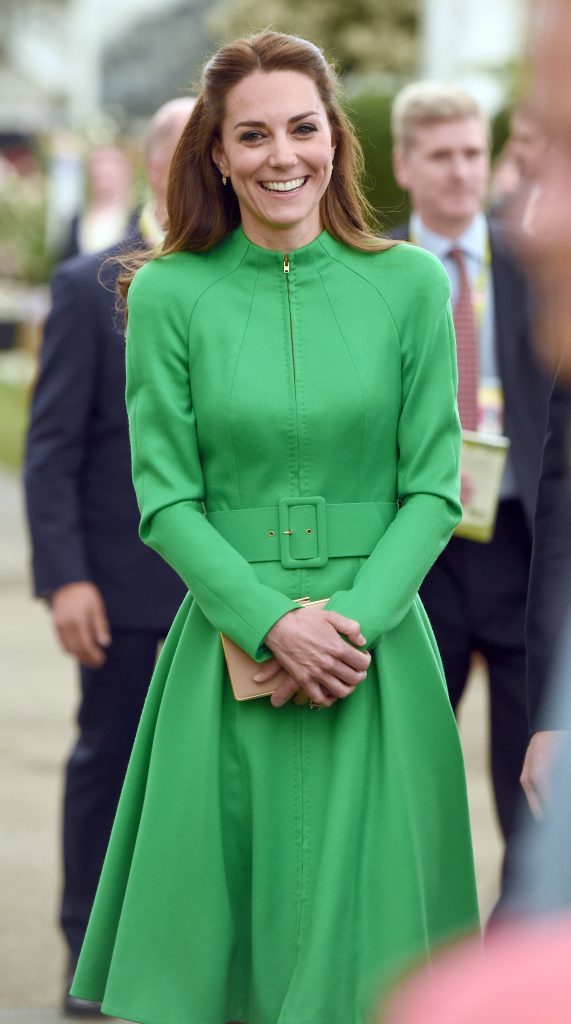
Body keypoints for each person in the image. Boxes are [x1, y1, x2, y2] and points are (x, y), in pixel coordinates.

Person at [70, 31, 479, 1023]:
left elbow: (432, 485)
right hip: (226, 647)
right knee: (225, 957)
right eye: (251, 135)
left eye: (302, 127)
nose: (280, 154)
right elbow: (165, 498)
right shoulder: (168, 292)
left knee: (375, 959)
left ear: (334, 138)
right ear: (216, 154)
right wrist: (265, 620)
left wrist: (347, 626)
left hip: (372, 654)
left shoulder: (410, 286)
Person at [24, 97, 195, 1016]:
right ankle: (85, 949)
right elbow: (50, 445)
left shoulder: (244, 276)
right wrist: (65, 577)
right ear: (156, 161)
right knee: (110, 764)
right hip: (124, 589)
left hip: (235, 592)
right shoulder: (90, 285)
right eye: (186, 150)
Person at [390, 81, 552, 851]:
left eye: (471, 154)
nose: (460, 172)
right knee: (405, 780)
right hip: (416, 553)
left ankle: (518, 957)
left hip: (519, 543)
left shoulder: (533, 262)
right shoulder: (374, 270)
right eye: (440, 155)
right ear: (403, 164)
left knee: (532, 784)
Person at [61, 143, 135, 260]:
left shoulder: (135, 219)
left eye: (108, 175)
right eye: (98, 175)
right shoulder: (77, 219)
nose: (103, 182)